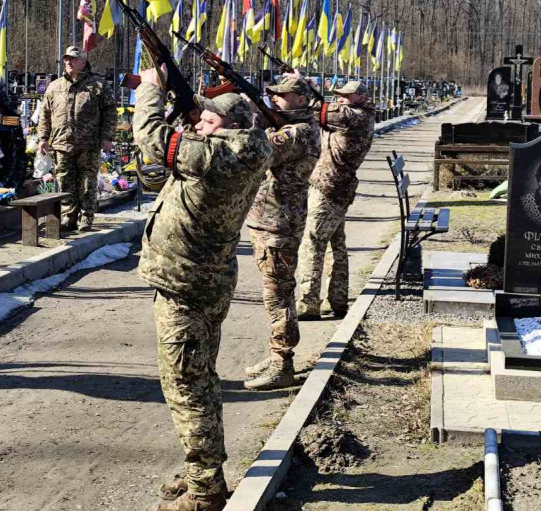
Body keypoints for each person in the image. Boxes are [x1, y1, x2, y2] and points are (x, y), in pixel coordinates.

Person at [133, 68, 273, 511]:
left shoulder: (215, 156)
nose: (199, 125)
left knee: (186, 386)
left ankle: (205, 491)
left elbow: (151, 136)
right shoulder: (250, 147)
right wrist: (195, 111)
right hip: (206, 280)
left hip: (185, 284)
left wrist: (151, 89)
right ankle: (204, 469)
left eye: (209, 121)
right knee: (202, 379)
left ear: (230, 127)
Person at [242, 75, 320, 391]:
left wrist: (252, 115)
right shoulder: (290, 126)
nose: (275, 98)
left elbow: (257, 151)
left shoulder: (299, 132)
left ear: (301, 99)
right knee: (276, 292)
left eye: (282, 94)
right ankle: (277, 355)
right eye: (273, 94)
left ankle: (282, 364)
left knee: (279, 295)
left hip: (278, 223)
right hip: (271, 219)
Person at [296, 80, 375, 320]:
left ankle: (308, 303)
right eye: (339, 94)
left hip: (329, 188)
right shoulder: (355, 114)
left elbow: (319, 109)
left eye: (347, 95)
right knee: (335, 244)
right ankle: (338, 300)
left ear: (361, 97)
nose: (341, 98)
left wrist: (303, 85)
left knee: (312, 243)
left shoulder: (355, 116)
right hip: (336, 187)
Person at [37, 46, 116, 232]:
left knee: (88, 182)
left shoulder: (98, 85)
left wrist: (107, 137)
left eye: (73, 59)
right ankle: (69, 216)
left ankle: (86, 217)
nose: (69, 62)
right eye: (66, 59)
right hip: (62, 143)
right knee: (65, 181)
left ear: (83, 61)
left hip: (88, 144)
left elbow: (110, 112)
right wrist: (43, 138)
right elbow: (45, 114)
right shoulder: (55, 86)